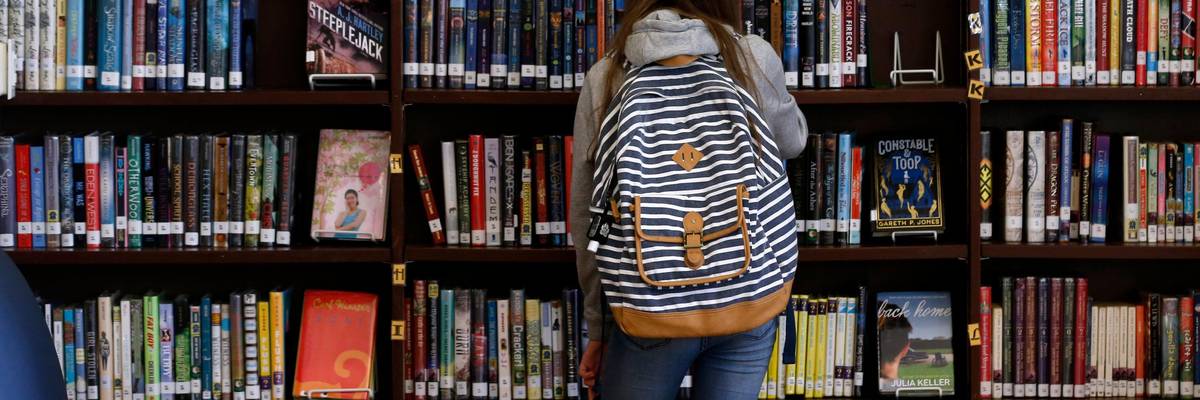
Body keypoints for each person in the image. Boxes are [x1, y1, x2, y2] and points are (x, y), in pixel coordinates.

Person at [570, 0, 807, 398]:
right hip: (748, 294)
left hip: (649, 306)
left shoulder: (607, 73)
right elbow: (792, 142)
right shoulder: (750, 55)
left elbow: (590, 221)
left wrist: (598, 326)